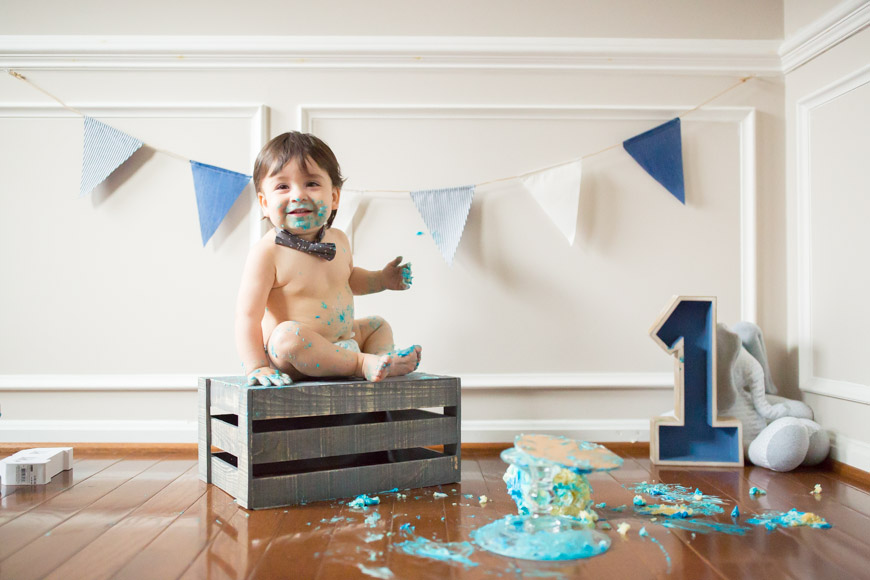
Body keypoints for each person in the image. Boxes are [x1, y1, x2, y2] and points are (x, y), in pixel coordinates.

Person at [235, 131, 421, 386]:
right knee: (285, 337)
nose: (298, 194)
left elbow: (348, 279)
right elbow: (247, 316)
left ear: (334, 197)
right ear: (264, 203)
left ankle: (382, 362)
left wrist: (381, 279)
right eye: (282, 186)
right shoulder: (267, 253)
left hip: (343, 342)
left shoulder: (339, 240)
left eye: (311, 183)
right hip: (297, 356)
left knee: (378, 325)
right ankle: (361, 364)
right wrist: (256, 366)